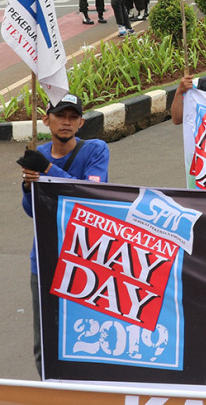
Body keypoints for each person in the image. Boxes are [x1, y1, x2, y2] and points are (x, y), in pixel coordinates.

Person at [18, 93, 110, 376]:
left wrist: (47, 171)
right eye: (60, 116)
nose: (66, 123)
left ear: (81, 122)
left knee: (90, 336)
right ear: (47, 120)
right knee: (44, 341)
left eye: (73, 117)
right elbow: (33, 211)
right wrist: (27, 187)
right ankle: (50, 390)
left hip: (87, 262)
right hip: (46, 259)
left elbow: (89, 196)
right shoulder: (38, 154)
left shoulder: (95, 150)